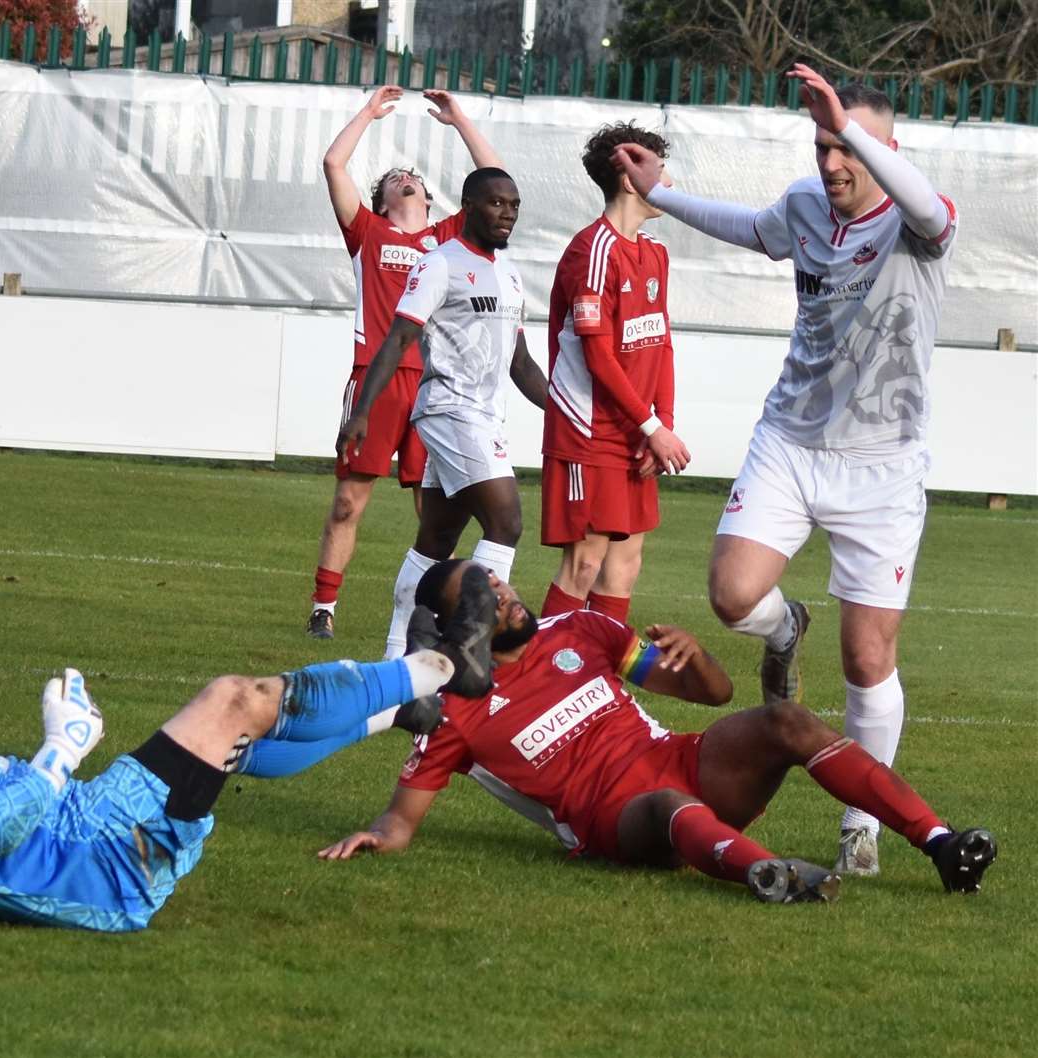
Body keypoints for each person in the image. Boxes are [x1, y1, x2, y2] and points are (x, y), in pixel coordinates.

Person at [612, 65, 958, 876]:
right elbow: (749, 227)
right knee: (733, 596)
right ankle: (784, 626)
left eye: (849, 148)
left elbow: (933, 209)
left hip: (883, 468)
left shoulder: (918, 224)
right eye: (823, 145)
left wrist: (856, 128)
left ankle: (859, 825)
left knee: (868, 660)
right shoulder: (806, 207)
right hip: (791, 443)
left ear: (884, 148)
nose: (832, 163)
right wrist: (660, 193)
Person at [315, 560, 998, 903]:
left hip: (676, 757)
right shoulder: (454, 708)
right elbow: (402, 818)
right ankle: (770, 874)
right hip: (617, 815)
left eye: (495, 579)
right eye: (479, 593)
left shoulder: (580, 628)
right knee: (674, 810)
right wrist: (379, 833)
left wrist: (696, 657)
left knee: (784, 720)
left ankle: (938, 843)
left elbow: (715, 694)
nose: (501, 592)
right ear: (456, 620)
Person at [0, 607, 493, 932]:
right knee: (233, 701)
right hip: (97, 853)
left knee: (230, 742)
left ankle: (396, 711)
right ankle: (437, 666)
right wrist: (62, 745)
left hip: (86, 842)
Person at [307, 86, 504, 640]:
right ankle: (324, 606)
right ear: (384, 197)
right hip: (376, 376)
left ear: (428, 198)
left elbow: (495, 178)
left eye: (412, 176)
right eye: (396, 177)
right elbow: (333, 162)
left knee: (435, 511)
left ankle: (445, 611)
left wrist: (460, 119)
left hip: (436, 386)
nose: (406, 176)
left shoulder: (447, 238)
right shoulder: (367, 232)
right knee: (349, 501)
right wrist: (368, 113)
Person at [339, 168, 547, 663]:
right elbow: (399, 338)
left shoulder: (511, 275)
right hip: (450, 411)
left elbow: (521, 362)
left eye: (514, 205)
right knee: (506, 521)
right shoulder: (439, 264)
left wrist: (569, 413)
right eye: (496, 203)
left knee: (435, 540)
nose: (507, 213)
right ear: (469, 206)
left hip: (485, 417)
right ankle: (473, 652)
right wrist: (362, 412)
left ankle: (394, 658)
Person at [539, 121, 693, 626]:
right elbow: (598, 355)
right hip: (588, 432)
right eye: (659, 171)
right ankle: (537, 685)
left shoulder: (655, 253)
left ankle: (598, 686)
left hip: (637, 432)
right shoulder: (592, 251)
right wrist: (651, 428)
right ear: (631, 178)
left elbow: (662, 342)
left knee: (625, 566)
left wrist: (659, 425)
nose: (668, 184)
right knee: (584, 562)